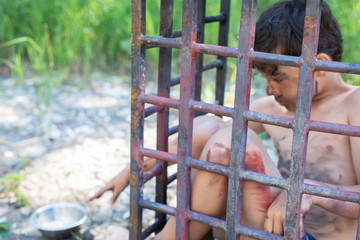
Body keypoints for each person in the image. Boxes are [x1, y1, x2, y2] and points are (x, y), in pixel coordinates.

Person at [89, 0, 360, 239]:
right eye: (265, 79)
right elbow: (212, 135)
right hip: (257, 228)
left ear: (320, 67)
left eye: (277, 77)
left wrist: (308, 191)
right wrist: (133, 168)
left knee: (234, 141)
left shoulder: (352, 105)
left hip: (305, 235)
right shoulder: (273, 107)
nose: (270, 90)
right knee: (212, 127)